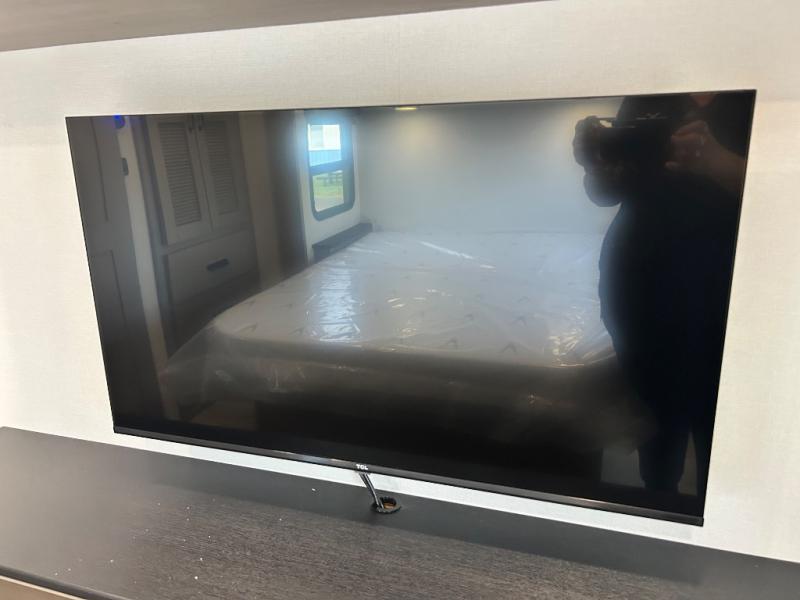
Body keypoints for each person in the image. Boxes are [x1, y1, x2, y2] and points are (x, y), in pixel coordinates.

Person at [573, 92, 754, 495]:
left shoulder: (765, 93)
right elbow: (605, 192)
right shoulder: (648, 96)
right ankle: (657, 506)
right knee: (656, 429)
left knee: (722, 433)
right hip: (638, 290)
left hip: (730, 294)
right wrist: (593, 164)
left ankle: (717, 516)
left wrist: (720, 163)